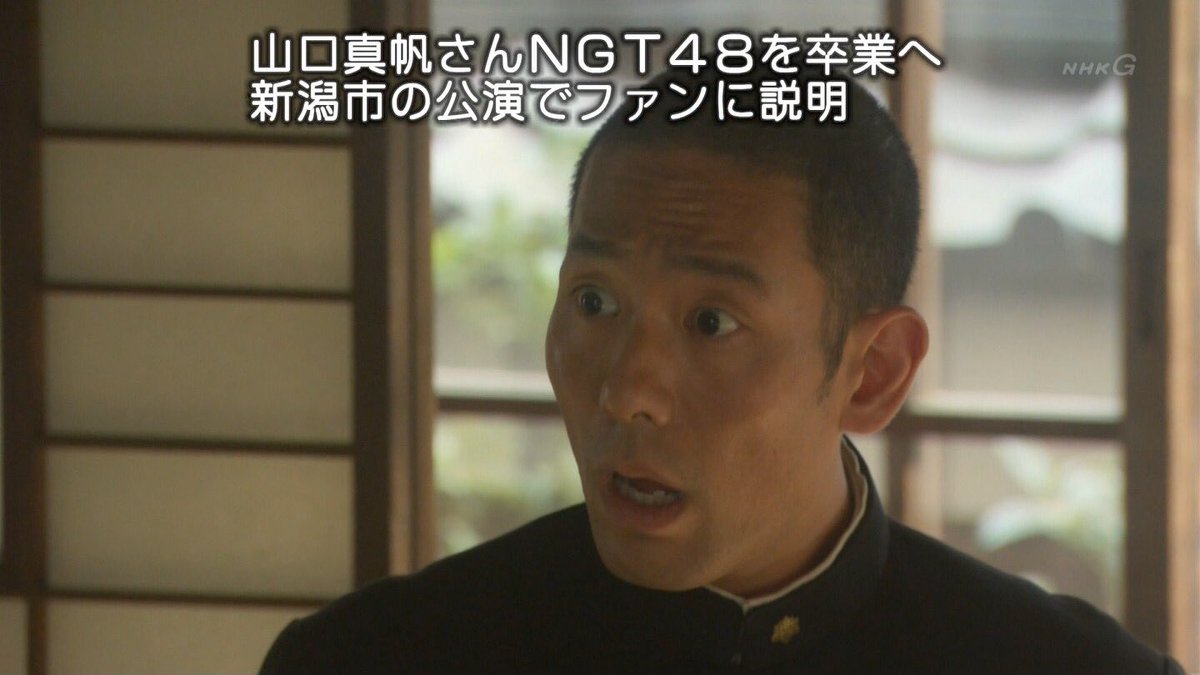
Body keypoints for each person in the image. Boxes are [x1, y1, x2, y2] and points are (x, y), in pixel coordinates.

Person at [261, 61, 1186, 674]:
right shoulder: (373, 658)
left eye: (712, 322)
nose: (627, 389)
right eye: (595, 302)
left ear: (872, 371)